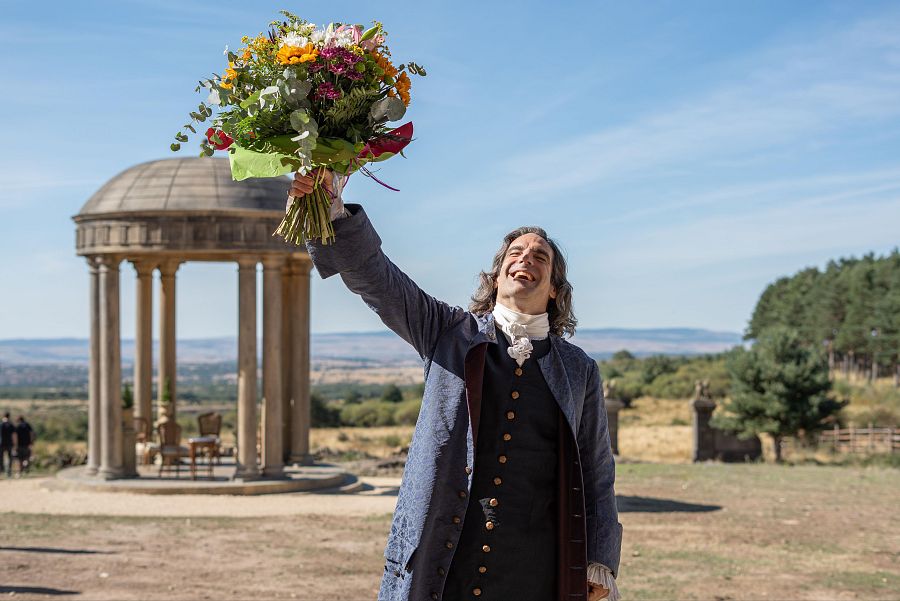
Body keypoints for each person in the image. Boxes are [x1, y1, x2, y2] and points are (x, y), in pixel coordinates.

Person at [291, 170, 622, 601]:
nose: (526, 259)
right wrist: (330, 208)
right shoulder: (449, 333)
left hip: (536, 568)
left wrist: (599, 559)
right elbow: (377, 278)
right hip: (445, 564)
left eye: (540, 257)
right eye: (516, 254)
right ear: (497, 278)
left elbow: (596, 469)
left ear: (556, 289)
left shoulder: (579, 370)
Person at [0, 412, 14, 477]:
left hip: (1, 443)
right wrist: (15, 444)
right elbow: (14, 435)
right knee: (9, 458)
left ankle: (1, 470)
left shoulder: (1, 424)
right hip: (9, 443)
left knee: (1, 457)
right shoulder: (11, 425)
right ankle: (9, 471)